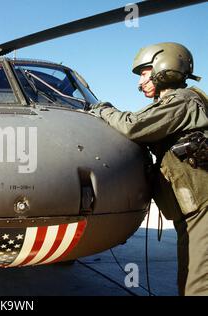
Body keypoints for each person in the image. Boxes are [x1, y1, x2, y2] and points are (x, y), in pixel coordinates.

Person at [89, 42, 207, 296]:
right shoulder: (178, 102)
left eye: (144, 73)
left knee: (197, 285)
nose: (140, 82)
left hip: (203, 205)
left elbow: (133, 126)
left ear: (164, 66)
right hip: (194, 207)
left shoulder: (181, 102)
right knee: (190, 275)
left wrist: (102, 109)